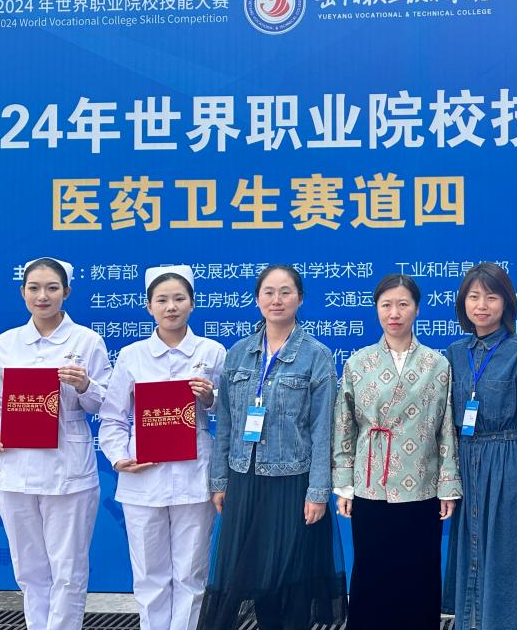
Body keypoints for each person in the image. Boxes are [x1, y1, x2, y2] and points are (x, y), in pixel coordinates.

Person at [198, 264, 347, 630]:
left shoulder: (316, 355)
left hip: (292, 483)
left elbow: (323, 430)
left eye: (285, 292)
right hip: (244, 479)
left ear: (300, 298)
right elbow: (226, 423)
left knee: (290, 582)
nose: (276, 300)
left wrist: (317, 492)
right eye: (268, 292)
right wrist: (220, 481)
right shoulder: (238, 353)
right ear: (257, 299)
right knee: (253, 578)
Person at [0, 257, 111, 630]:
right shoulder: (6, 343)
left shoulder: (86, 341)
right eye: (34, 288)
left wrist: (84, 385)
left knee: (68, 568)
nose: (43, 296)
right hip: (14, 469)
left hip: (68, 472)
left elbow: (106, 403)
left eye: (52, 288)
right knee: (29, 568)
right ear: (22, 292)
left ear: (66, 292)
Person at [98, 265, 225, 630]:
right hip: (143, 477)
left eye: (179, 299)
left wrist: (210, 398)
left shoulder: (212, 351)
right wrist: (119, 457)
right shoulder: (132, 355)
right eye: (162, 300)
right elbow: (112, 416)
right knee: (149, 575)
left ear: (192, 304)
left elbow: (230, 411)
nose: (171, 307)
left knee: (191, 574)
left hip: (194, 476)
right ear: (149, 306)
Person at [332, 273, 462, 629]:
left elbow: (445, 429)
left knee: (419, 573)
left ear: (416, 309)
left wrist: (447, 485)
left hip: (421, 482)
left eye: (403, 304)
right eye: (386, 305)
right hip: (371, 482)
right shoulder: (358, 362)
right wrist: (344, 485)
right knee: (371, 572)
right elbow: (344, 426)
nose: (394, 313)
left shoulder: (437, 364)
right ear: (376, 309)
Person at [442, 262, 517, 630]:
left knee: (508, 557)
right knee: (471, 554)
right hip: (467, 463)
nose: (482, 305)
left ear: (506, 303)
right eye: (474, 297)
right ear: (463, 303)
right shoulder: (454, 353)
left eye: (491, 297)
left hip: (510, 464)